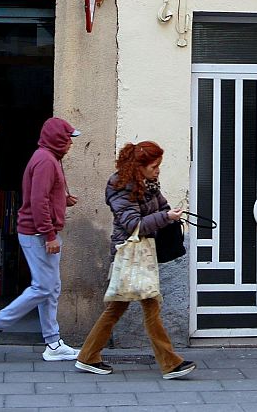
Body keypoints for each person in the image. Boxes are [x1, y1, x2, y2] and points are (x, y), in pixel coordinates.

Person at [74, 140, 196, 379]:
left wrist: (170, 214)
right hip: (130, 254)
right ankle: (170, 363)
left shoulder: (148, 184)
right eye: (154, 166)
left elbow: (162, 207)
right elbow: (133, 225)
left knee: (118, 308)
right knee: (149, 307)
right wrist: (165, 217)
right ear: (139, 167)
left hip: (143, 253)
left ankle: (87, 356)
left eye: (158, 166)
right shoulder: (121, 187)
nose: (158, 170)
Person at [0, 117, 82, 362]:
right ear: (57, 139)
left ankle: (53, 344)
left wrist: (62, 199)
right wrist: (49, 234)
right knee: (44, 287)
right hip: (38, 234)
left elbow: (43, 196)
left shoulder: (48, 158)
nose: (70, 143)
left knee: (51, 288)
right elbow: (37, 201)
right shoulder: (45, 161)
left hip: (39, 232)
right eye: (68, 138)